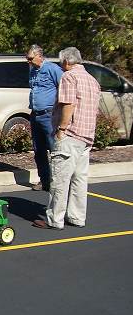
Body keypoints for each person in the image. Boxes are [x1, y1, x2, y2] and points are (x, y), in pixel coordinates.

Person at [33, 47, 101, 230]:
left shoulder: (69, 77)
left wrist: (61, 129)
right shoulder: (92, 80)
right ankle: (77, 217)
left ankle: (55, 219)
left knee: (60, 179)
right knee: (79, 179)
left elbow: (68, 104)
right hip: (86, 136)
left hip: (70, 134)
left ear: (66, 61)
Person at [27, 44, 64, 191]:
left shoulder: (52, 69)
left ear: (39, 56)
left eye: (30, 58)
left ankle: (57, 181)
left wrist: (59, 110)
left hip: (48, 115)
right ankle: (45, 180)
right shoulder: (32, 71)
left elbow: (64, 87)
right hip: (35, 115)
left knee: (54, 149)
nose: (28, 61)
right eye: (27, 58)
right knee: (39, 150)